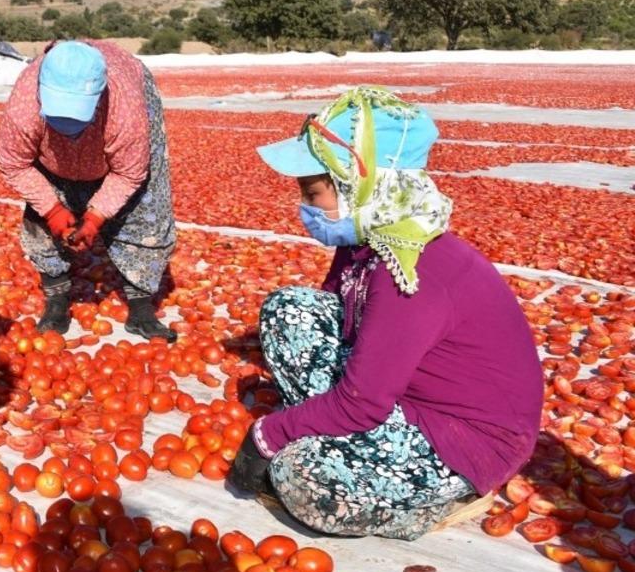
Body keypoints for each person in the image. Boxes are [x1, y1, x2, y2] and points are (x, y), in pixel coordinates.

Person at [227, 87, 542, 540]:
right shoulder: (366, 238)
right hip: (401, 396)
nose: (306, 208)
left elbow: (363, 401)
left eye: (313, 193)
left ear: (366, 186)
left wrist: (268, 436)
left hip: (463, 440)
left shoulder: (410, 273)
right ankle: (333, 432)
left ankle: (434, 504)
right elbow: (338, 319)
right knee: (287, 311)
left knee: (305, 480)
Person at [0, 40, 177, 342]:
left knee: (144, 206)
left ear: (100, 96)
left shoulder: (126, 109)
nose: (67, 123)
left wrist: (95, 217)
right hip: (47, 142)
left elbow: (129, 172)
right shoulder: (24, 107)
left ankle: (141, 305)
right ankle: (56, 298)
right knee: (42, 211)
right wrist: (52, 210)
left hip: (124, 114)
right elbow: (14, 163)